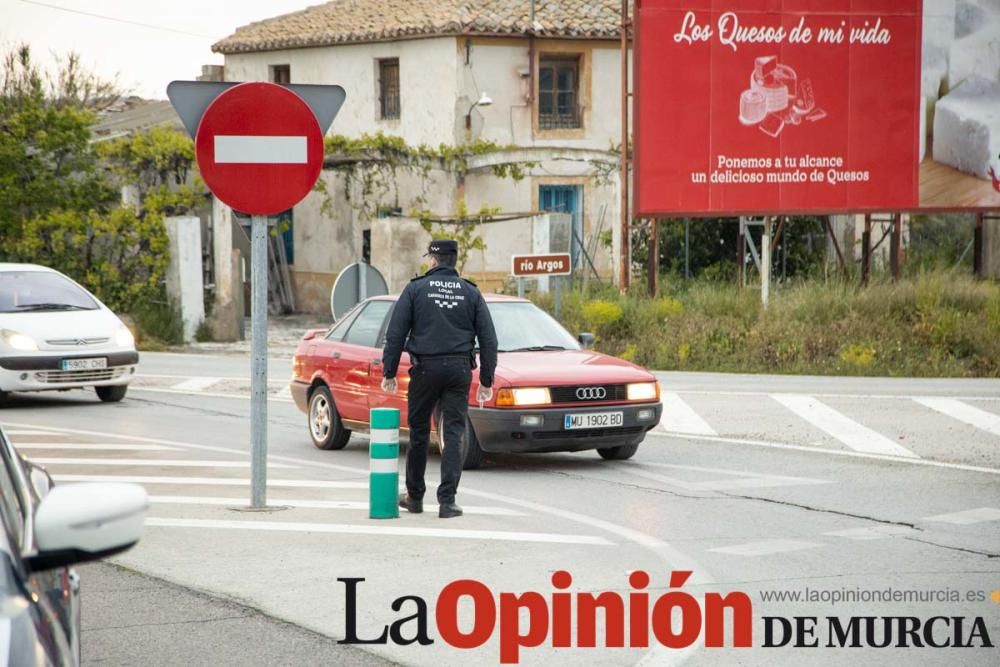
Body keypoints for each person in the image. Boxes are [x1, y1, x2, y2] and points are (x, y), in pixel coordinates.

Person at [381, 239, 498, 518]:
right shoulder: (471, 293)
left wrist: (389, 371)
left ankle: (415, 497)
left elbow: (395, 334)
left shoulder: (416, 289)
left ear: (433, 260)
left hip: (425, 369)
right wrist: (486, 379)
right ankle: (447, 501)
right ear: (454, 260)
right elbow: (489, 339)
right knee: (454, 434)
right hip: (459, 371)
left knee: (419, 433)